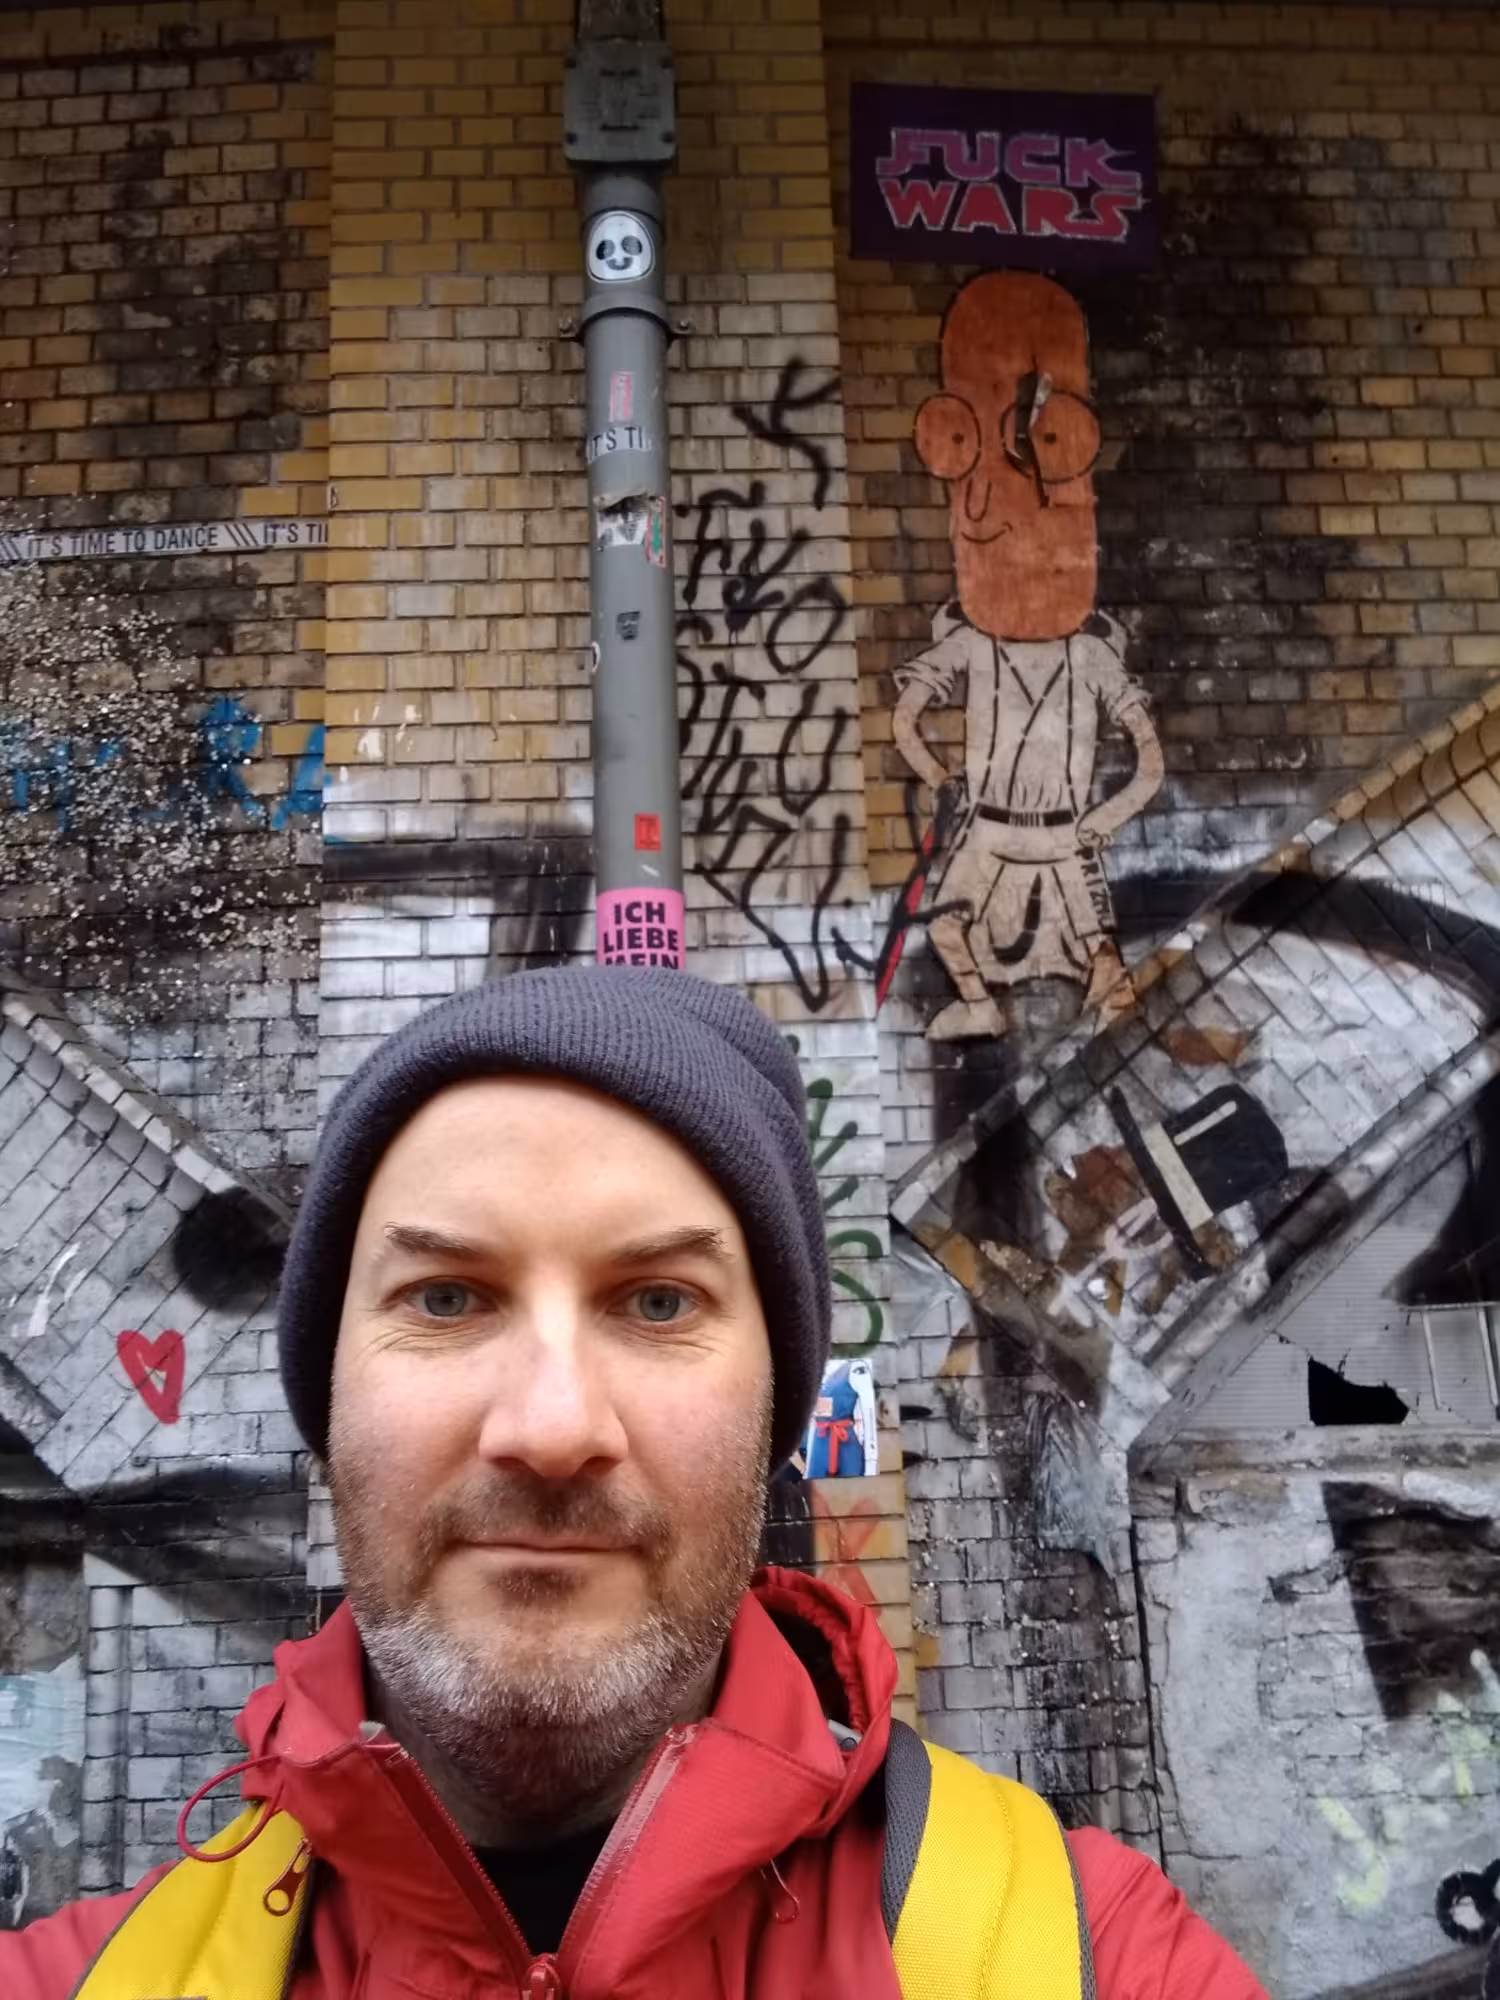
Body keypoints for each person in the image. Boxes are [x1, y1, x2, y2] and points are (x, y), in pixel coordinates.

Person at [0, 967, 1268, 1997]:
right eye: (445, 1297)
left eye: (659, 1300)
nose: (552, 1426)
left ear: (774, 1406)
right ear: (327, 1392)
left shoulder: (1079, 1955)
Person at [894, 271, 1164, 1041]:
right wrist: (940, 779)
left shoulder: (1089, 656)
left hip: (1060, 828)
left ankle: (1113, 1025)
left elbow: (1150, 763)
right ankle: (982, 1002)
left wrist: (1103, 821)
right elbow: (906, 719)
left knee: (1103, 960)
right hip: (991, 825)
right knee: (948, 923)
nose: (982, 503)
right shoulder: (972, 645)